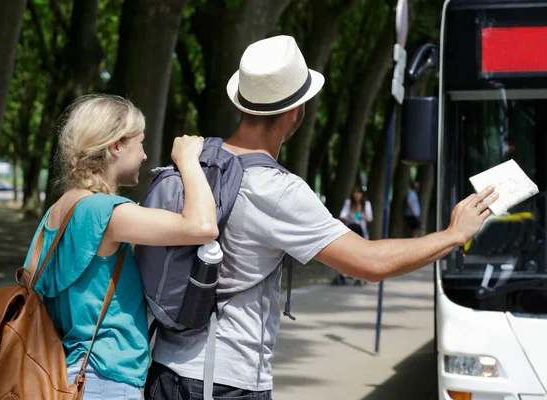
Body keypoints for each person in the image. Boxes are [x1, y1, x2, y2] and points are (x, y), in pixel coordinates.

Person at [144, 35, 497, 400]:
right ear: (296, 113)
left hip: (163, 367)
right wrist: (454, 235)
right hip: (225, 380)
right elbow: (370, 263)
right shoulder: (278, 189)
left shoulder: (196, 159)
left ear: (243, 105)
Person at [21, 94, 218, 400]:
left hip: (65, 373)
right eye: (139, 143)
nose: (143, 155)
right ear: (116, 146)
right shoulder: (107, 212)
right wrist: (188, 161)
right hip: (104, 380)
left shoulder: (59, 210)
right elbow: (203, 227)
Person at [333, 186, 374, 286]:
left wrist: (363, 216)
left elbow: (370, 218)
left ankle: (359, 275)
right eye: (355, 193)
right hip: (351, 231)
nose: (357, 195)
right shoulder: (348, 203)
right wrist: (349, 216)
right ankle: (345, 274)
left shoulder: (366, 204)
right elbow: (342, 215)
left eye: (359, 193)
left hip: (361, 232)